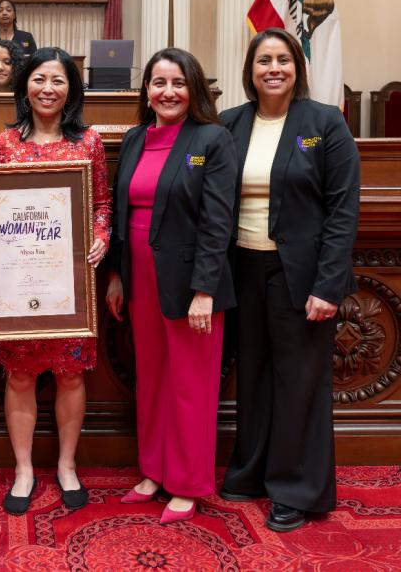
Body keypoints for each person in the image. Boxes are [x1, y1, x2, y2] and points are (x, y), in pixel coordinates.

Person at [219, 28, 360, 532]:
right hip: (243, 270)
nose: (272, 68)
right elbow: (204, 183)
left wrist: (328, 284)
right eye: (263, 61)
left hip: (301, 276)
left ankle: (296, 489)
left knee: (299, 381)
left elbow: (343, 211)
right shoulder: (230, 123)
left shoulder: (322, 124)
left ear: (297, 67)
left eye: (282, 59)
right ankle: (253, 470)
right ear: (250, 70)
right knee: (253, 375)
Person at [0, 47, 111, 514]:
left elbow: (102, 206)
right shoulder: (4, 144)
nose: (48, 89)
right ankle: (24, 468)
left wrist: (101, 238)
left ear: (72, 89)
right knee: (20, 375)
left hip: (68, 286)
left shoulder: (88, 142)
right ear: (24, 86)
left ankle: (67, 465)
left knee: (70, 376)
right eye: (40, 80)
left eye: (59, 81)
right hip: (18, 288)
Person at [105, 47, 237, 525]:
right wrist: (118, 275)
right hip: (140, 278)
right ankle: (155, 470)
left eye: (178, 83)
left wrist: (205, 289)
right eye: (158, 83)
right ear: (146, 91)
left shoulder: (212, 140)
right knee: (153, 380)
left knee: (190, 386)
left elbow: (218, 221)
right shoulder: (137, 138)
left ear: (193, 87)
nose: (168, 92)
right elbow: (123, 213)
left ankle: (186, 482)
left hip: (191, 284)